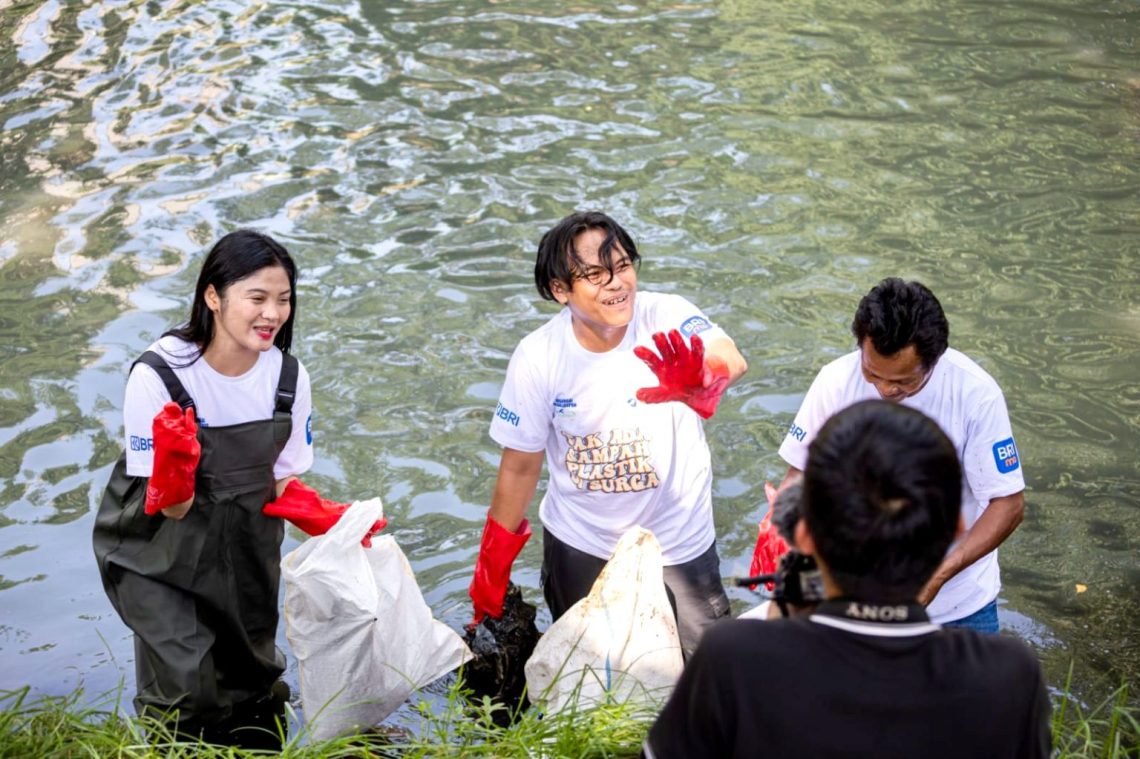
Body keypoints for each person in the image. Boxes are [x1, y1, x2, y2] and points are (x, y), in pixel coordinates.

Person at [93, 230, 377, 749]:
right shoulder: (158, 374)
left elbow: (280, 475)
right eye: (258, 298)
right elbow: (171, 507)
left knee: (253, 680)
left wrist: (329, 519)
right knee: (185, 685)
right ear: (212, 296)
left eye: (284, 299)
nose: (273, 313)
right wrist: (176, 468)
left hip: (246, 544)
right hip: (159, 549)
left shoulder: (287, 377)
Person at [645, 401, 1050, 759]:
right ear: (954, 530)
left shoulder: (733, 659)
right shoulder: (1007, 677)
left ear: (802, 534)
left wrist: (789, 609)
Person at [467, 211, 748, 657]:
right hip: (583, 542)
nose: (617, 284)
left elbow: (728, 356)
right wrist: (492, 571)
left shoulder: (667, 313)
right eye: (595, 275)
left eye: (622, 267)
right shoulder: (538, 356)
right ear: (561, 290)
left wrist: (702, 377)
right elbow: (520, 468)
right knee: (585, 680)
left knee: (708, 678)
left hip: (678, 543)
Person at [770, 278, 1025, 631]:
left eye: (904, 381)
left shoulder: (976, 395)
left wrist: (938, 575)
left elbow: (1008, 504)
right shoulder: (835, 381)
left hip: (959, 609)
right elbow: (799, 476)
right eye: (872, 373)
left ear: (934, 359)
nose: (887, 389)